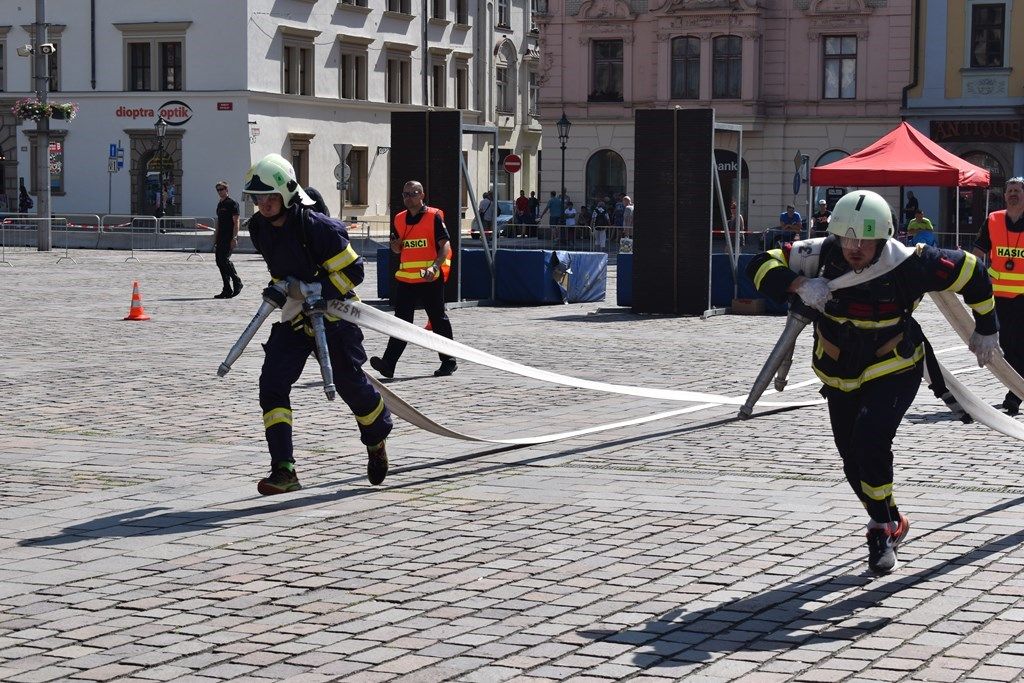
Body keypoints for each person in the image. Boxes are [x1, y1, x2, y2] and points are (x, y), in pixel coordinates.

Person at [748, 190, 998, 574]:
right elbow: (758, 265)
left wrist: (986, 328)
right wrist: (799, 284)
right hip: (839, 369)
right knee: (852, 461)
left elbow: (973, 273)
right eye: (847, 238)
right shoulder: (818, 252)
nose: (854, 248)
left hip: (893, 364)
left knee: (870, 442)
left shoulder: (913, 263)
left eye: (864, 239)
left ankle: (879, 531)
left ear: (883, 236)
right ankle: (892, 517)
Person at [242, 153, 393, 494]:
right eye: (256, 198)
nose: (263, 204)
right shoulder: (259, 228)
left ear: (287, 193)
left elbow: (354, 273)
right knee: (272, 384)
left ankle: (376, 438)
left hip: (334, 315)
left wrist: (317, 291)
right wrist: (283, 289)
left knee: (348, 384)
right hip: (295, 317)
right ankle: (284, 469)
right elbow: (281, 269)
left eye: (268, 196)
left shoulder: (318, 228)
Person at [370, 180, 457, 379]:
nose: (409, 197)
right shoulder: (399, 219)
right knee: (401, 323)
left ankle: (449, 361)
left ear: (422, 195)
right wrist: (395, 245)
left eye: (413, 193)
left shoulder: (434, 216)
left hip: (429, 279)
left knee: (438, 319)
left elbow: (445, 245)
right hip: (406, 280)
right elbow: (398, 249)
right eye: (405, 194)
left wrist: (434, 267)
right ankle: (388, 364)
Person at [972, 176, 1024, 415]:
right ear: (1004, 196)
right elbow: (978, 251)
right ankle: (1016, 390)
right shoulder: (993, 220)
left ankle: (1014, 396)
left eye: (1018, 190)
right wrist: (976, 277)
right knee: (1006, 346)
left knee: (1020, 348)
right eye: (1010, 190)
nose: (1013, 194)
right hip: (999, 296)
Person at [212, 180, 243, 299]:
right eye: (218, 190)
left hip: (229, 236)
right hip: (221, 237)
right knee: (219, 262)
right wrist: (215, 238)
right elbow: (219, 223)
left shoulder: (232, 203)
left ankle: (237, 281)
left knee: (224, 260)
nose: (220, 192)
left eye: (222, 189)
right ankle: (227, 289)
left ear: (227, 190)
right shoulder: (220, 204)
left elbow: (237, 222)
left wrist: (234, 237)